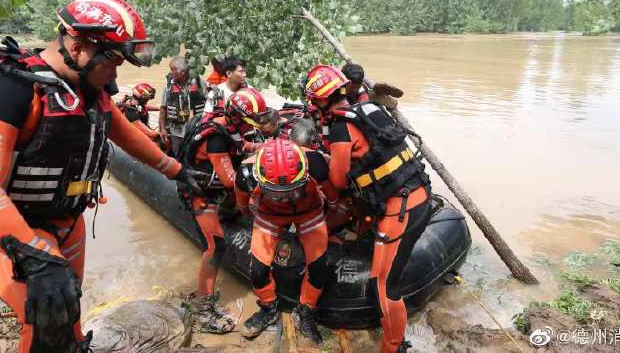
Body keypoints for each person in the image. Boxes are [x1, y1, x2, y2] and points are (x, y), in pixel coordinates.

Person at [0, 0, 204, 353]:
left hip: (67, 220)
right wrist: (35, 256)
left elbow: (124, 133)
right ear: (77, 47)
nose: (117, 72)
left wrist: (177, 171)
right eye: (113, 60)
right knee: (45, 316)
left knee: (69, 309)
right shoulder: (4, 87)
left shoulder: (89, 91)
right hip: (12, 224)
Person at [303, 64, 433, 353]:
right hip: (418, 193)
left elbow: (337, 179)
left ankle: (393, 346)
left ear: (321, 100)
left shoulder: (340, 127)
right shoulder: (369, 109)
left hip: (402, 208)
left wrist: (322, 168)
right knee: (381, 279)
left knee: (385, 287)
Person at [180, 87, 273, 334]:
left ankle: (205, 297)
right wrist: (261, 177)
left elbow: (242, 145)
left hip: (215, 190)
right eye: (249, 122)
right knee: (216, 247)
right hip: (202, 195)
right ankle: (203, 306)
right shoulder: (217, 137)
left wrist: (265, 148)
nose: (252, 127)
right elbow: (231, 179)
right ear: (236, 118)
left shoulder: (228, 127)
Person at [235, 138, 332, 344]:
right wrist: (252, 215)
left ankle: (306, 311)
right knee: (258, 270)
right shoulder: (245, 176)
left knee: (320, 268)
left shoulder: (318, 164)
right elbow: (242, 205)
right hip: (270, 216)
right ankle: (269, 308)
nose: (287, 198)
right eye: (278, 194)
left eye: (292, 191)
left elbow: (333, 193)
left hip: (309, 213)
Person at [159, 57, 207, 157]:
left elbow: (208, 105)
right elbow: (163, 108)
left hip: (197, 129)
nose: (171, 73)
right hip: (177, 131)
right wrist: (162, 129)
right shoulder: (168, 85)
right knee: (178, 156)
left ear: (183, 71)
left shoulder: (199, 82)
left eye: (173, 69)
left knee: (195, 155)